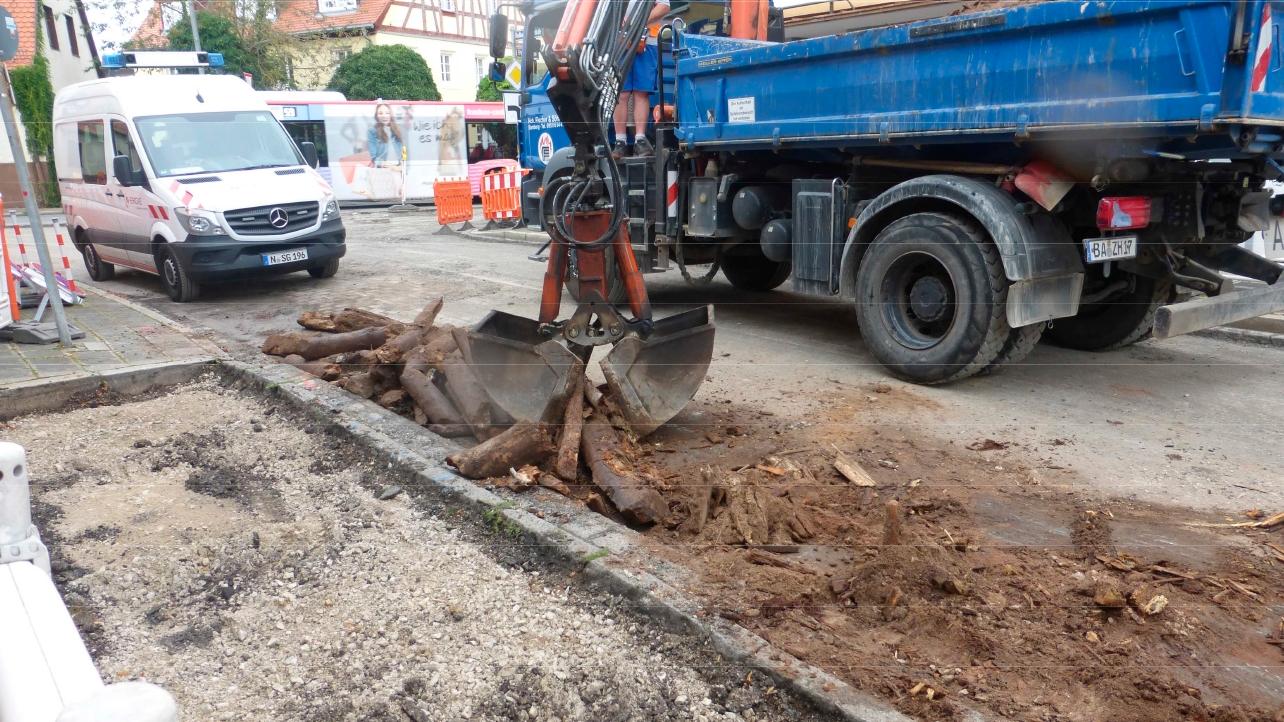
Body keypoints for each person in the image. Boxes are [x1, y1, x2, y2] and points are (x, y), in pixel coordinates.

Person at [613, 0, 671, 159]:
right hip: (618, 42)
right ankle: (620, 142)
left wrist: (637, 21)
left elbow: (664, 6)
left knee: (641, 93)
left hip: (646, 41)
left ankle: (639, 140)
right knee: (621, 93)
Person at [367, 103, 404, 168]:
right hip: (383, 170)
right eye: (380, 113)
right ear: (377, 116)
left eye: (387, 113)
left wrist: (401, 165)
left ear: (391, 115)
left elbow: (403, 153)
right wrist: (385, 164)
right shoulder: (372, 131)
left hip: (398, 169)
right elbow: (373, 158)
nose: (384, 116)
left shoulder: (397, 129)